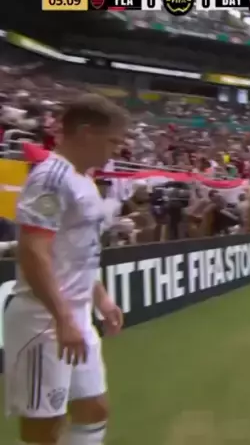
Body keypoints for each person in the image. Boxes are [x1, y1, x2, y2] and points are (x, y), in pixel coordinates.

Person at [3, 94, 129, 445]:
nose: (117, 150)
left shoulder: (83, 179)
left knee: (94, 409)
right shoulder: (51, 178)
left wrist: (101, 299)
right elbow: (33, 251)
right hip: (43, 319)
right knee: (43, 425)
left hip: (77, 315)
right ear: (86, 133)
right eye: (113, 141)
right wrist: (61, 317)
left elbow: (79, 251)